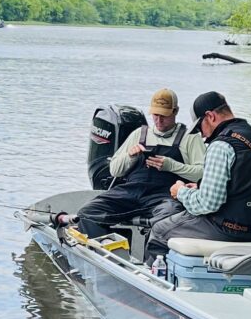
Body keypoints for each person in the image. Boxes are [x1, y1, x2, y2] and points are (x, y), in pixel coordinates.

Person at [145, 90, 251, 258]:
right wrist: (200, 187)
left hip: (227, 229)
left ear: (210, 116)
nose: (202, 135)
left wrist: (180, 191)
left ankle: (157, 280)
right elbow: (247, 186)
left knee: (159, 231)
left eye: (200, 127)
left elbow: (207, 204)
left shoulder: (222, 144)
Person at [73, 89, 204, 239]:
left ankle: (154, 259)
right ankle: (107, 251)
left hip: (164, 197)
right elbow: (115, 170)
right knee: (87, 213)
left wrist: (171, 166)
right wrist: (130, 156)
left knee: (168, 221)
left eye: (164, 116)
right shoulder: (138, 134)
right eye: (155, 115)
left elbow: (202, 173)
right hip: (131, 192)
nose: (159, 120)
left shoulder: (190, 138)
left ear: (175, 111)